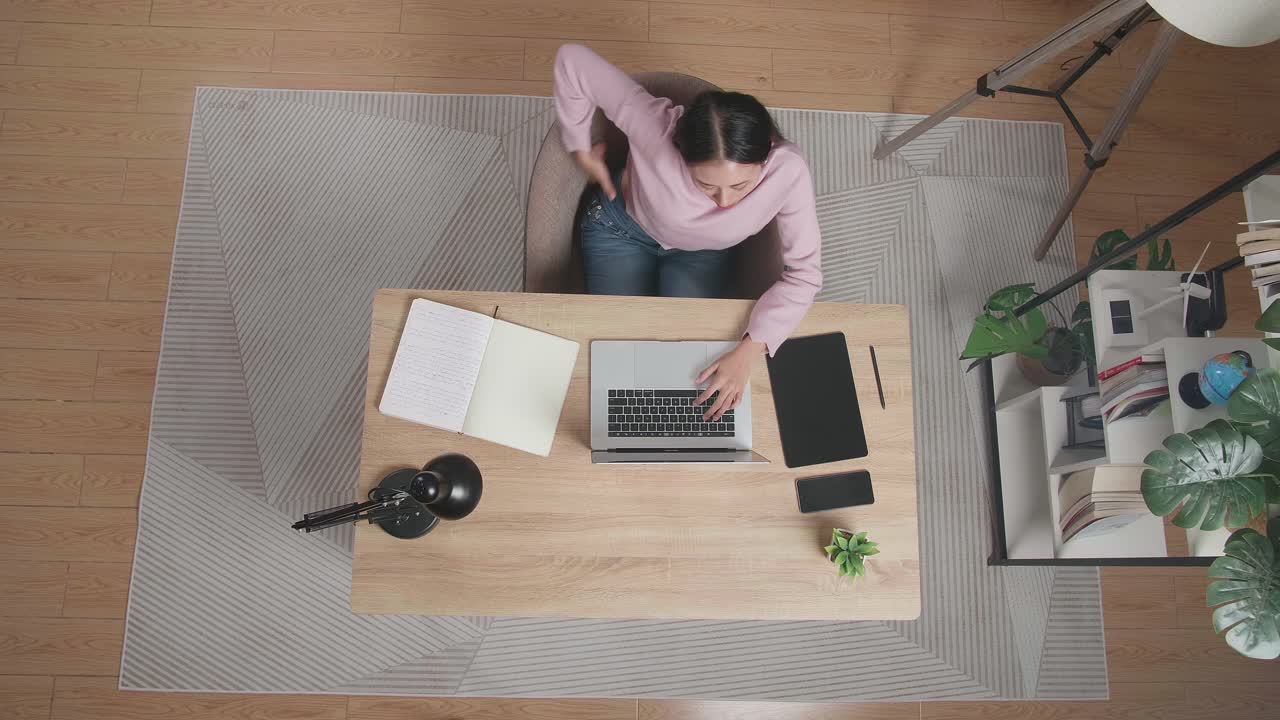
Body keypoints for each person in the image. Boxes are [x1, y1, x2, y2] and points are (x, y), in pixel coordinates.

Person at [553, 44, 823, 422]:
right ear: (681, 152)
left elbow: (805, 276)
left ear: (766, 157)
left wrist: (751, 348)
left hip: (702, 254)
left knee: (688, 366)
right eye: (706, 185)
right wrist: (579, 146)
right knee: (616, 348)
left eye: (742, 186)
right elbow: (571, 59)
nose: (725, 202)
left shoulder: (789, 172)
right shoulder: (654, 124)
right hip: (620, 229)